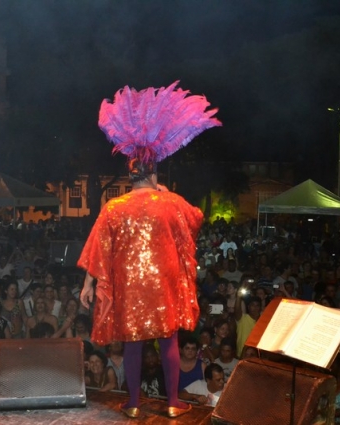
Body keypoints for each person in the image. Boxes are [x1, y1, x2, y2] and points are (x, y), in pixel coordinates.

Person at [78, 82, 219, 419]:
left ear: (131, 173)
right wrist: (166, 194)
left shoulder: (114, 207)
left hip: (130, 285)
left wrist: (88, 284)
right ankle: (172, 402)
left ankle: (133, 404)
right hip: (164, 283)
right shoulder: (170, 202)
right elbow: (197, 219)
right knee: (168, 340)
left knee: (133, 342)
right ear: (155, 170)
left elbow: (99, 248)